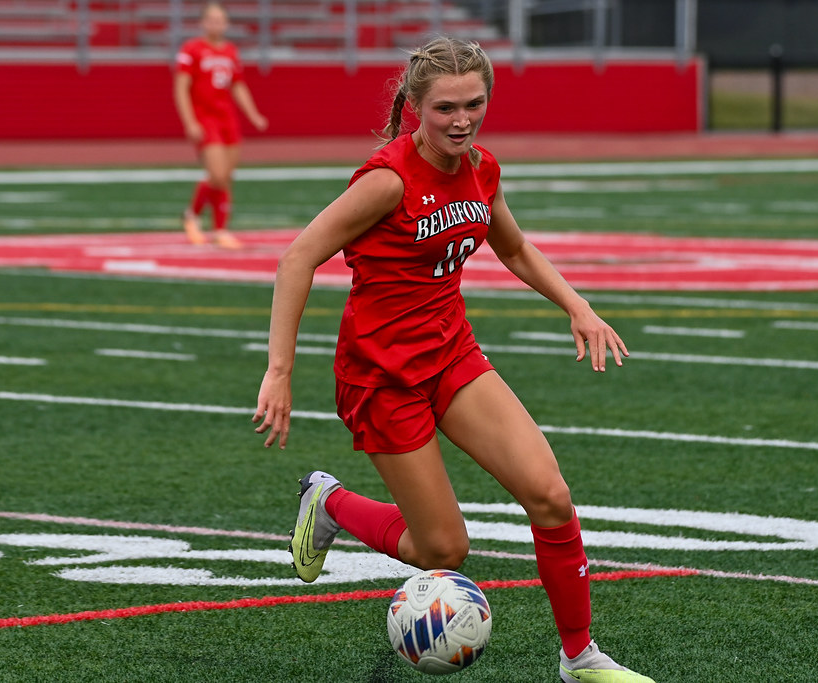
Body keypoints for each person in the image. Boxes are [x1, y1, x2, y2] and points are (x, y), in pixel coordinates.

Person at [252, 37, 653, 683]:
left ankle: (580, 657)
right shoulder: (386, 179)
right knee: (444, 548)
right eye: (445, 108)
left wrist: (577, 305)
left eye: (474, 104)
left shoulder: (481, 167)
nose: (461, 119)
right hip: (381, 376)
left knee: (549, 494)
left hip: (452, 354)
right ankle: (328, 503)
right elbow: (298, 257)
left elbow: (516, 248)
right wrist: (279, 370)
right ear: (414, 105)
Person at [173, 1, 267, 249]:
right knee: (216, 174)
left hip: (227, 118)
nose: (216, 24)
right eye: (211, 19)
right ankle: (192, 215)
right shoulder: (192, 49)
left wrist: (253, 114)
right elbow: (181, 87)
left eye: (220, 20)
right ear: (203, 22)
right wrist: (189, 121)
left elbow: (238, 85)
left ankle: (220, 229)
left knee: (225, 177)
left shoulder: (230, 51)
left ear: (226, 24)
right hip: (205, 117)